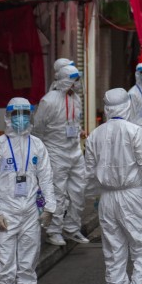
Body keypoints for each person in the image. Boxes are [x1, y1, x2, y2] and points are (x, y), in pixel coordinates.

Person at [84, 88, 142, 284]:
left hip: (107, 198)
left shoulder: (95, 135)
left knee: (114, 255)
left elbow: (89, 173)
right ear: (127, 105)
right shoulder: (134, 131)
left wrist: (94, 196)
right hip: (132, 195)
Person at [0, 98, 57, 284]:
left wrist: (49, 207)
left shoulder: (37, 145)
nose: (21, 118)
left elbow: (46, 178)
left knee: (27, 267)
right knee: (5, 267)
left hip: (30, 213)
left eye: (26, 113)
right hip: (6, 214)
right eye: (17, 114)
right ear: (8, 117)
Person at [33, 63, 89, 246]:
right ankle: (53, 230)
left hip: (74, 150)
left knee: (79, 191)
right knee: (57, 193)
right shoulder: (48, 101)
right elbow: (38, 129)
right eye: (74, 81)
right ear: (65, 81)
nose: (77, 84)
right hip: (55, 152)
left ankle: (72, 228)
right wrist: (41, 154)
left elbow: (74, 121)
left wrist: (79, 132)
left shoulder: (76, 99)